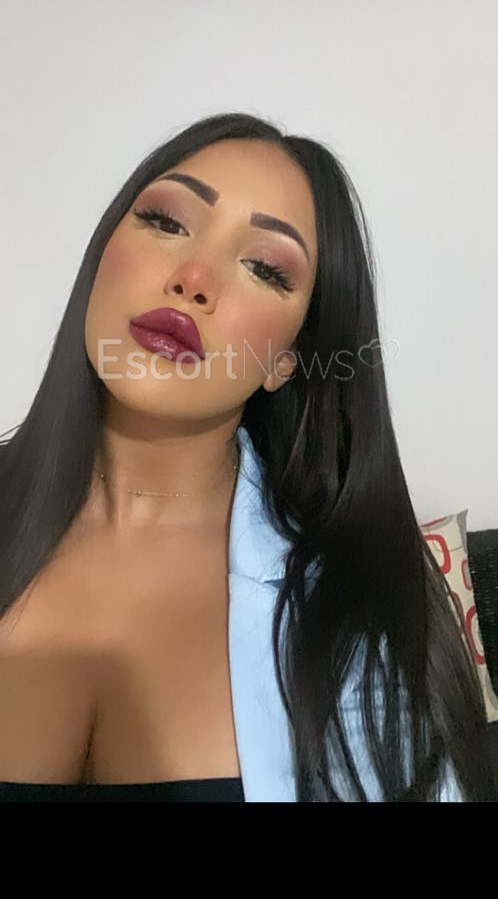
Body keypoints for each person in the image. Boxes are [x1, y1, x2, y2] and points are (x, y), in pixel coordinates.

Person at [0, 112, 494, 802]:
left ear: (286, 360)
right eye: (166, 222)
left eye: (264, 267)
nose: (194, 277)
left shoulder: (359, 602)